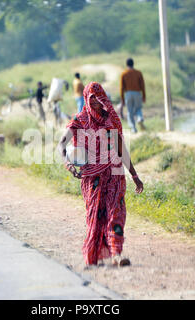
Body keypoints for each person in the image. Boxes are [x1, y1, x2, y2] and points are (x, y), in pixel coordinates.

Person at [58, 82, 144, 267]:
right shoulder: (80, 120)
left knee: (116, 213)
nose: (96, 103)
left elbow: (121, 149)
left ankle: (116, 254)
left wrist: (134, 175)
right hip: (93, 179)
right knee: (96, 217)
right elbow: (61, 144)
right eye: (92, 99)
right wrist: (68, 164)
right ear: (86, 99)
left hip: (114, 175)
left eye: (99, 99)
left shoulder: (111, 119)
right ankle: (95, 254)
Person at [120, 58, 146, 133]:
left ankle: (133, 128)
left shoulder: (124, 74)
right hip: (137, 93)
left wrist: (122, 99)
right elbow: (142, 85)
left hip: (128, 94)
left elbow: (121, 87)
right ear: (133, 64)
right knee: (138, 108)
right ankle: (140, 118)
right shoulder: (138, 73)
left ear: (126, 64)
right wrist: (144, 96)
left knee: (129, 111)